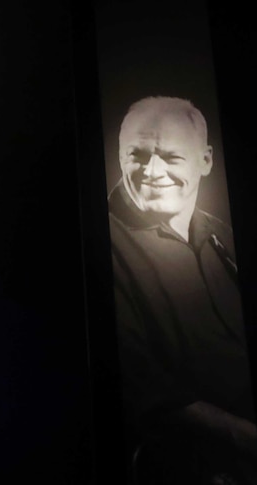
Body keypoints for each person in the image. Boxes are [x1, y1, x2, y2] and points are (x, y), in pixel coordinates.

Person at [108, 96, 257, 484]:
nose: (152, 171)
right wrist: (246, 440)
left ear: (206, 161)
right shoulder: (102, 243)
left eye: (171, 158)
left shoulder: (224, 235)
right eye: (136, 155)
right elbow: (141, 389)